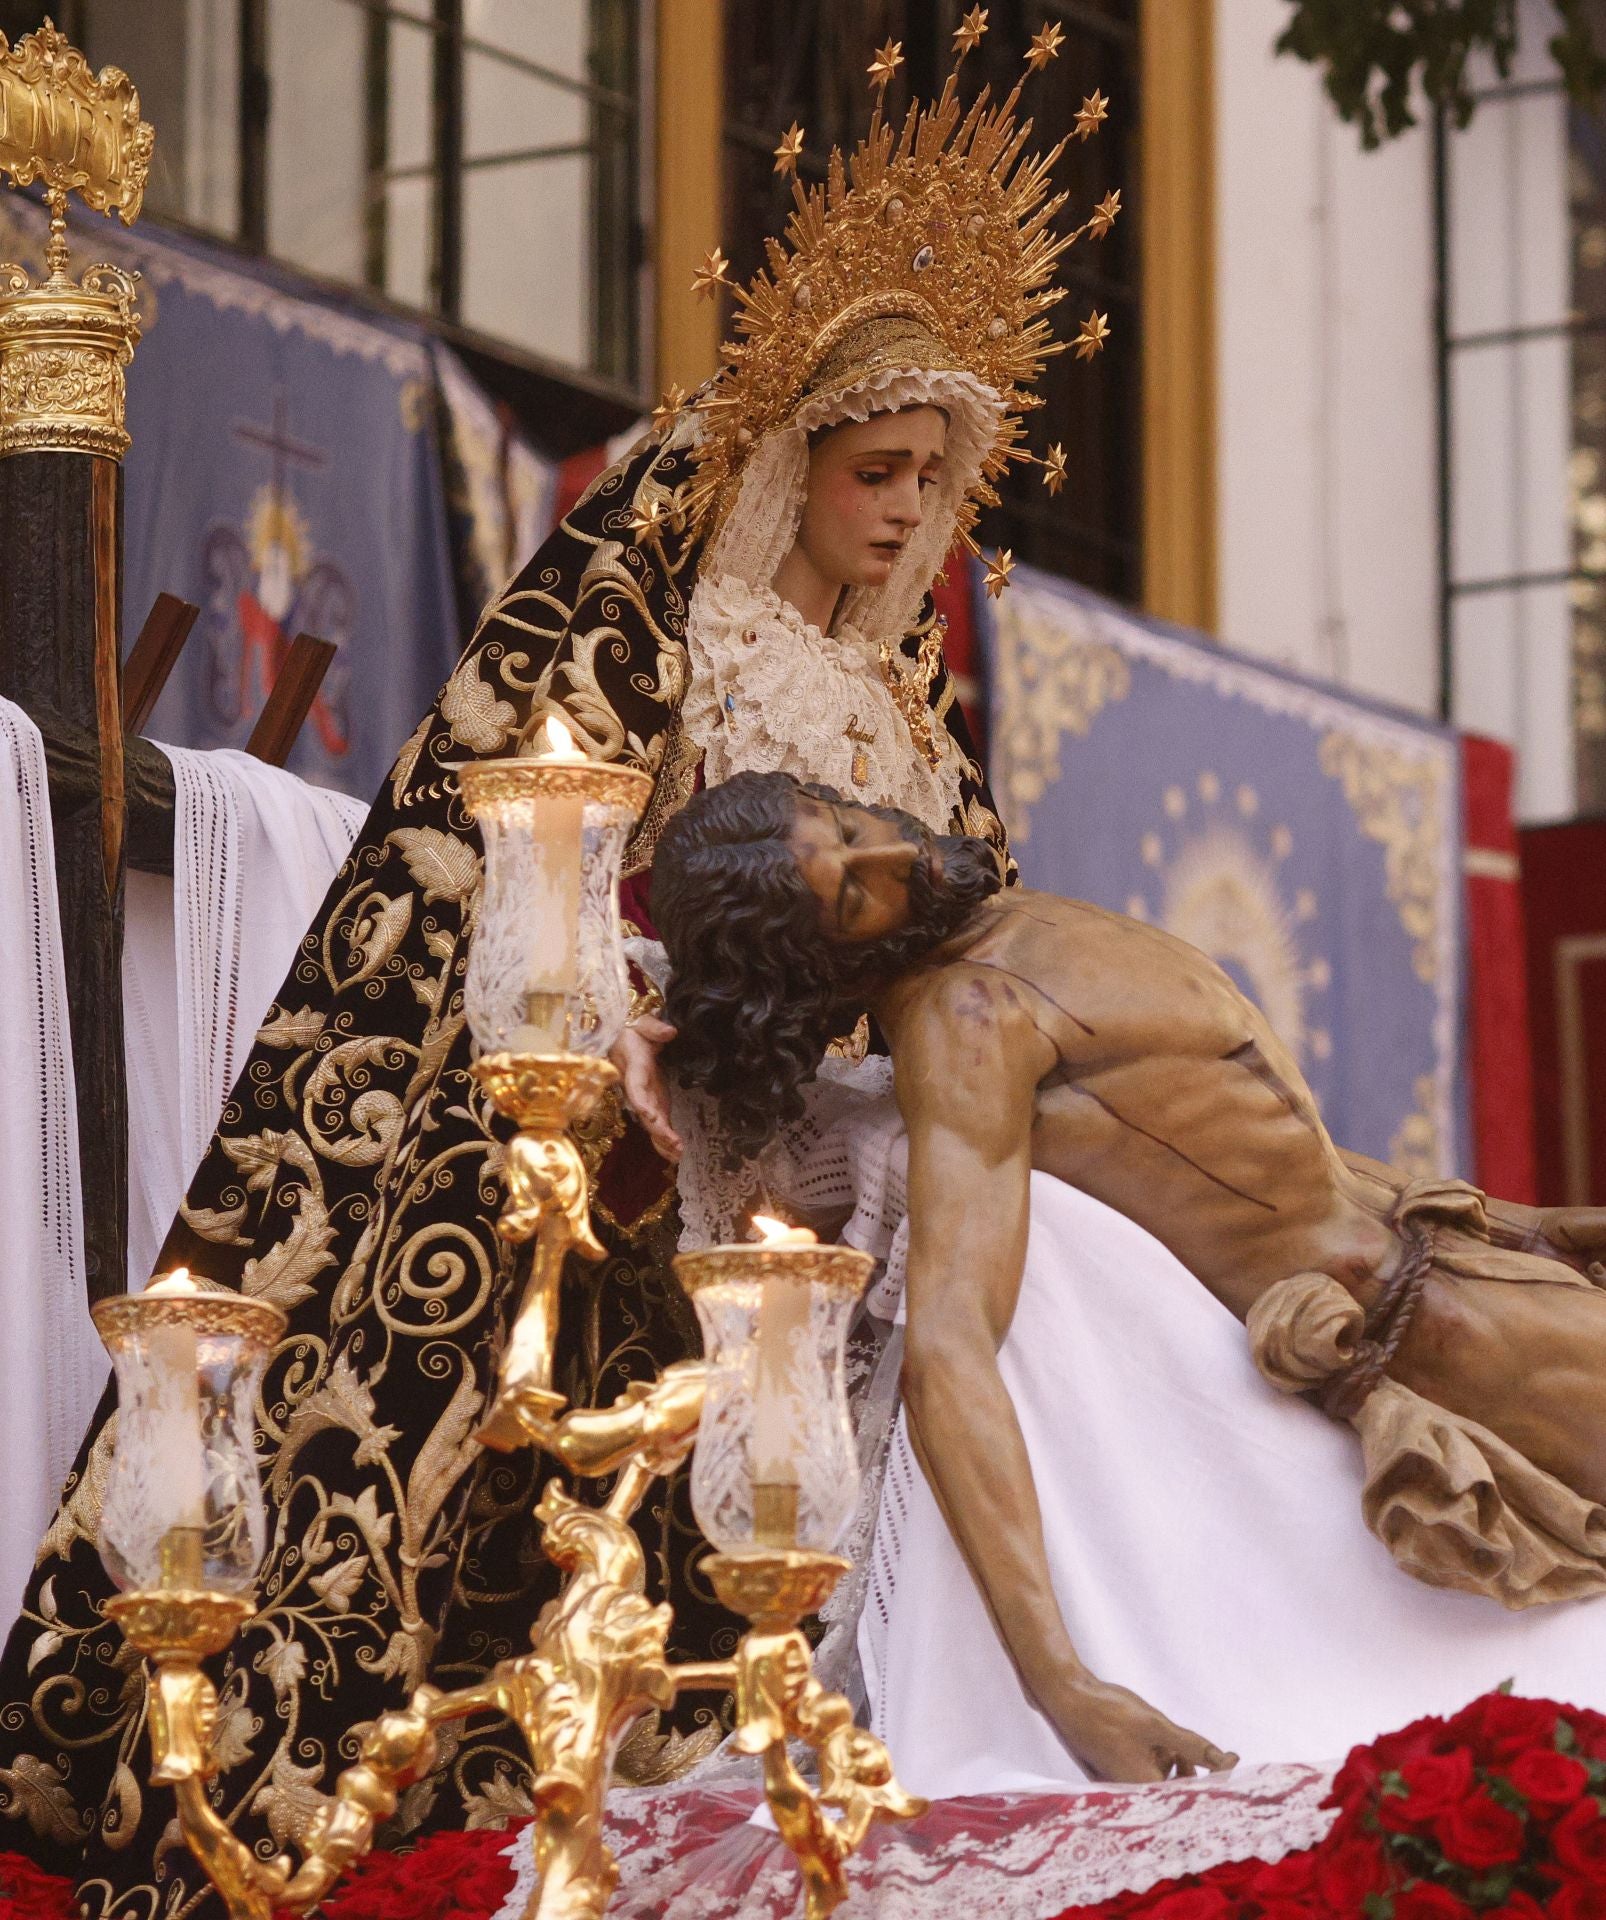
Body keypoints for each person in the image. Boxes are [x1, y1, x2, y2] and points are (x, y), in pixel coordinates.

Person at [0, 37, 1105, 1911]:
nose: (912, 514)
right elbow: (530, 856)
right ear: (793, 458)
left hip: (905, 1162)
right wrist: (641, 1015)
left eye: (937, 478)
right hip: (682, 1133)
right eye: (876, 471)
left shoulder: (915, 710)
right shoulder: (675, 632)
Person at [652, 771, 1606, 1786]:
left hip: (1468, 1270)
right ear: (827, 970)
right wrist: (1060, 1682)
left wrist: (1525, 1227)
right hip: (1436, 1336)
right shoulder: (968, 1019)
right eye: (852, 893)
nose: (892, 853)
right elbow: (951, 1343)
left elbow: (1277, 1148)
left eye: (847, 828)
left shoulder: (1008, 921)